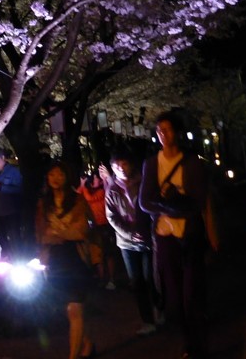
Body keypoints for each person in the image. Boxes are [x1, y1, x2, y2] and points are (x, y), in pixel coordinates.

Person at [139, 110, 213, 359]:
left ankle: (195, 344)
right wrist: (169, 206)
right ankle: (186, 340)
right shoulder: (151, 163)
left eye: (168, 129)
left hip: (190, 234)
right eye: (160, 131)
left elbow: (198, 201)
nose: (163, 135)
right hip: (164, 234)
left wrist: (171, 204)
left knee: (191, 292)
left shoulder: (192, 162)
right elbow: (144, 202)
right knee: (173, 292)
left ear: (178, 132)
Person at [35, 161, 96, 359]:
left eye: (59, 174)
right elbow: (41, 234)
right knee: (67, 310)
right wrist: (56, 235)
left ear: (67, 176)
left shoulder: (78, 201)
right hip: (54, 261)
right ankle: (87, 343)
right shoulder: (44, 204)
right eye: (51, 174)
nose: (55, 178)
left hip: (76, 258)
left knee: (74, 309)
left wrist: (58, 233)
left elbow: (83, 229)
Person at [105, 144, 162, 337]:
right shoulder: (112, 190)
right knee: (136, 281)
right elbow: (112, 217)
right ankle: (147, 320)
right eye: (116, 165)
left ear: (130, 165)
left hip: (147, 238)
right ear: (112, 168)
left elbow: (154, 208)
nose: (121, 168)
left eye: (124, 164)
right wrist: (130, 234)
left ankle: (159, 309)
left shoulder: (144, 183)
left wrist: (147, 231)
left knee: (151, 279)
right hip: (127, 243)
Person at [78, 170, 117, 289]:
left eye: (97, 178)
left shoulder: (101, 192)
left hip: (104, 226)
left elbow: (89, 198)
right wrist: (82, 184)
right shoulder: (88, 191)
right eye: (94, 178)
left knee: (107, 253)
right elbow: (77, 195)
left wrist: (84, 186)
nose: (95, 179)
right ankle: (101, 279)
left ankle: (111, 279)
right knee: (97, 254)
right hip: (94, 227)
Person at [0, 145, 24, 256]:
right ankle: (7, 257)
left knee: (15, 238)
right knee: (1, 237)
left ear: (3, 158)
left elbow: (20, 189)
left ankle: (19, 259)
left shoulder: (14, 171)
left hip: (11, 211)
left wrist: (0, 187)